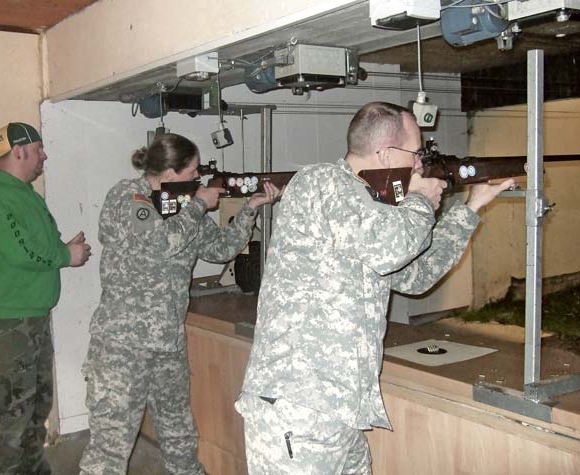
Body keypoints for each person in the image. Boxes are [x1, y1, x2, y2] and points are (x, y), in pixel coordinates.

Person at [235, 102, 515, 474]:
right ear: (385, 153)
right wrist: (419, 200)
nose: (419, 163)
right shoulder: (323, 183)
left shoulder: (367, 210)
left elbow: (415, 276)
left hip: (340, 411)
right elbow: (391, 248)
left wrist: (470, 208)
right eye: (416, 153)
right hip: (299, 410)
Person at [79, 132, 282, 475]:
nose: (197, 180)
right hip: (122, 347)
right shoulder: (128, 197)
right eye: (192, 174)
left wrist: (250, 209)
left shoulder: (183, 205)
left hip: (167, 344)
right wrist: (201, 203)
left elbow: (219, 249)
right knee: (110, 449)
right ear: (170, 173)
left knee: (179, 435)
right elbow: (160, 244)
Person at [0, 122, 92, 475]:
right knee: (11, 415)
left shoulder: (20, 193)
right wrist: (64, 256)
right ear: (19, 151)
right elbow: (20, 250)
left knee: (35, 409)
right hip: (7, 324)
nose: (44, 154)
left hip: (29, 319)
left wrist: (63, 248)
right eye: (39, 148)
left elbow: (32, 245)